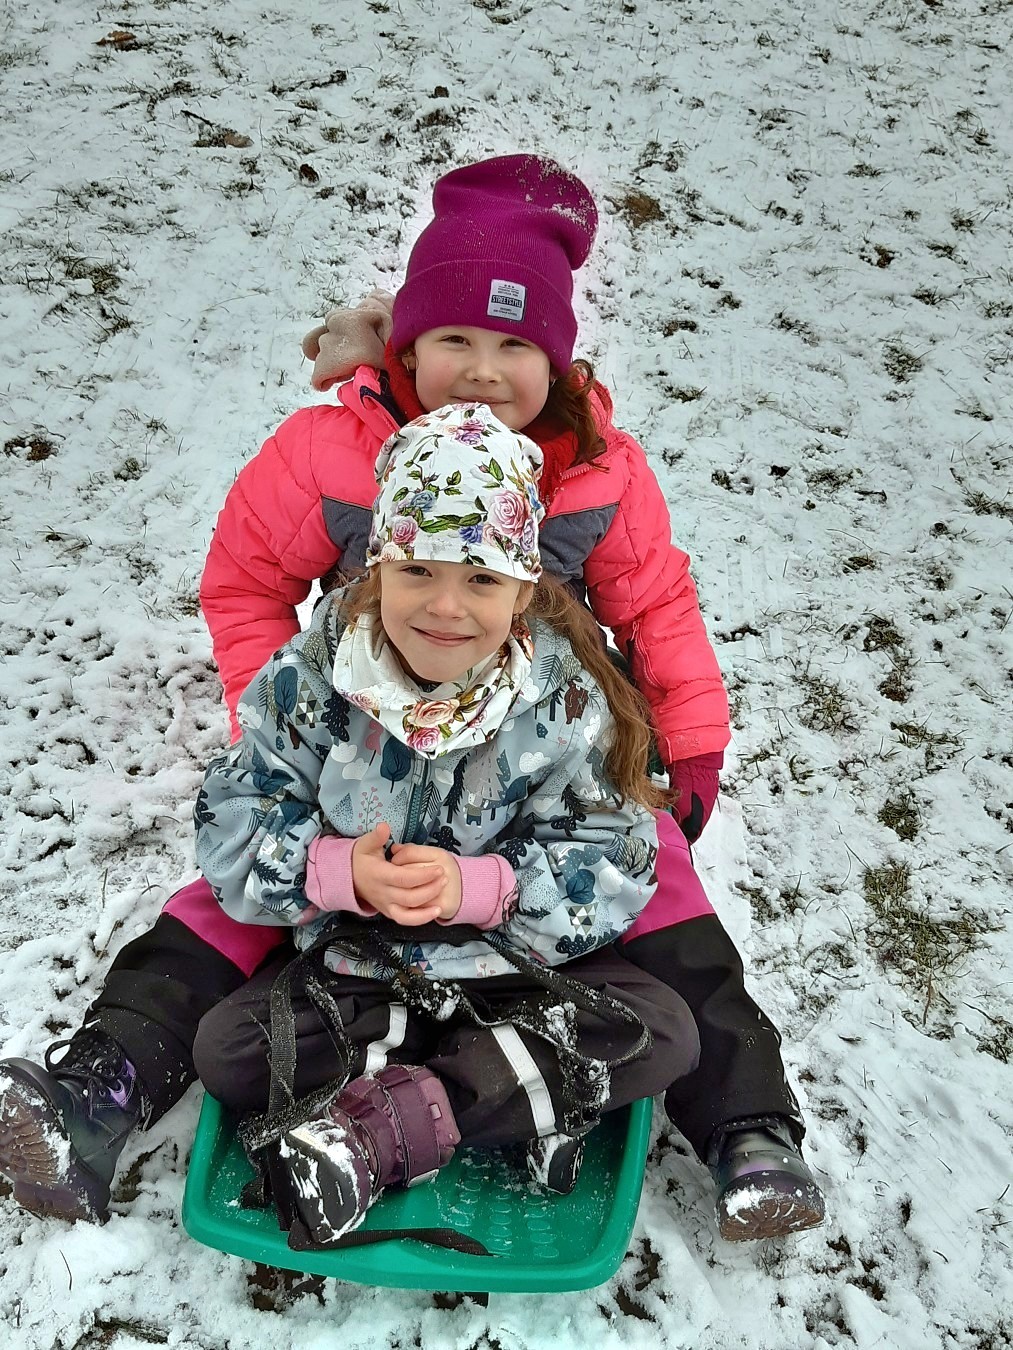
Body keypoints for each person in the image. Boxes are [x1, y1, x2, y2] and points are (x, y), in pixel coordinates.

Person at [0, 154, 822, 1241]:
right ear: (406, 342)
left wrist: (689, 746)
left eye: (515, 347)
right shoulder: (326, 451)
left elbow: (658, 607)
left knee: (656, 892)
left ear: (557, 359)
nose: (481, 371)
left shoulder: (599, 471)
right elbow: (246, 584)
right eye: (454, 340)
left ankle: (747, 1125)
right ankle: (100, 1090)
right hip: (356, 733)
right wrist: (287, 728)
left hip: (541, 755)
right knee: (226, 898)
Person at [187, 404, 699, 1244]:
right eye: (418, 569)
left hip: (513, 972)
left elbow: (616, 853)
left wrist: (485, 887)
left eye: (482, 579)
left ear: (523, 588)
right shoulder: (310, 677)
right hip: (363, 969)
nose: (446, 606)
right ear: (377, 566)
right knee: (231, 1049)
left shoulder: (566, 698)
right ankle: (519, 1103)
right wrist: (334, 871)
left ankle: (377, 1129)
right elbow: (234, 814)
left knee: (657, 1029)